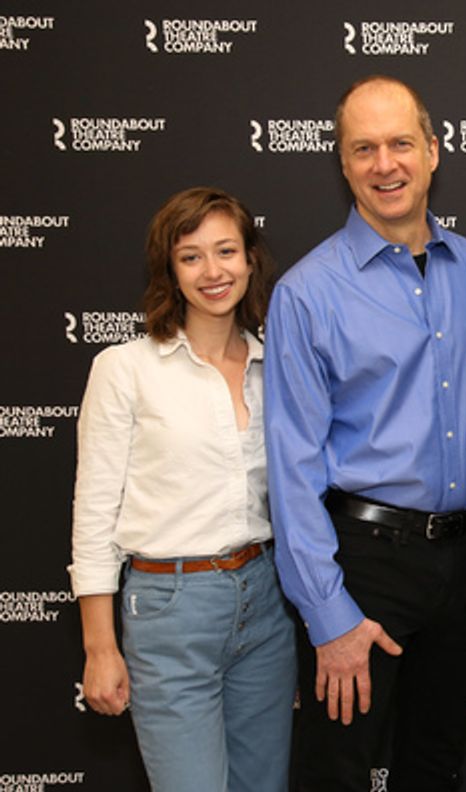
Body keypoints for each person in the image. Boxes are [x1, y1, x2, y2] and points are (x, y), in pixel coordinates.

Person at [263, 75, 466, 791]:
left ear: (433, 151)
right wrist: (329, 613)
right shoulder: (307, 293)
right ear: (343, 163)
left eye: (400, 143)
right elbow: (292, 468)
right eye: (363, 148)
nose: (385, 164)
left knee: (436, 766)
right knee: (336, 773)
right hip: (362, 565)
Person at [70, 187, 294, 792]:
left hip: (266, 601)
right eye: (191, 257)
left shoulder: (277, 367)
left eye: (226, 251)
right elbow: (93, 515)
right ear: (169, 270)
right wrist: (100, 647)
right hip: (169, 609)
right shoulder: (125, 368)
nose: (212, 271)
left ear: (250, 259)